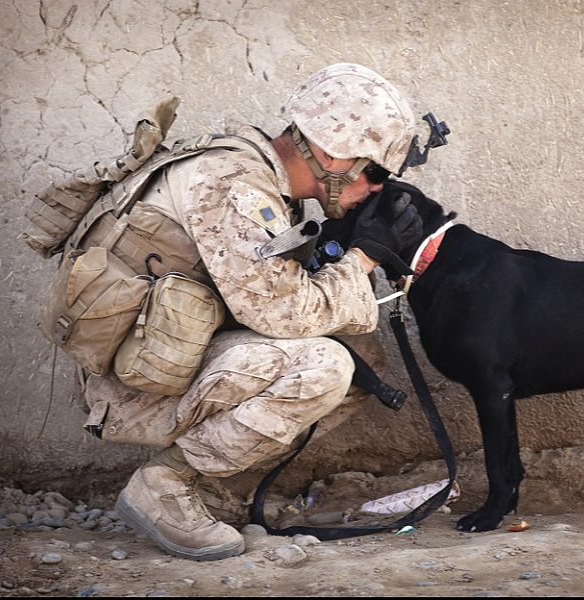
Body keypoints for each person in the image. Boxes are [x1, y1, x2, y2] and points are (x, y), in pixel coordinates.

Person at [80, 63, 425, 561]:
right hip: (133, 385)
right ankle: (166, 483)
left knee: (362, 358)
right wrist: (363, 258)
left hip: (166, 354)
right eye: (374, 173)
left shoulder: (256, 175)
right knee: (327, 367)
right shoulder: (234, 186)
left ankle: (200, 477)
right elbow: (284, 313)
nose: (376, 189)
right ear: (331, 154)